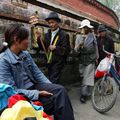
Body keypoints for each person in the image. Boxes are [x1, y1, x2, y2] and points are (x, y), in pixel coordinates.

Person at [0, 24, 75, 120]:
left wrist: (51, 87)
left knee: (60, 90)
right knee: (57, 103)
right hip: (21, 96)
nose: (29, 42)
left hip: (34, 85)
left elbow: (37, 73)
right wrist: (37, 93)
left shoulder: (25, 55)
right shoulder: (3, 60)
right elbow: (11, 92)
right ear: (16, 39)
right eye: (26, 39)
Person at [37, 12, 70, 84]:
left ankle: (54, 94)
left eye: (53, 22)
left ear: (58, 23)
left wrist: (56, 48)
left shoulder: (64, 35)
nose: (51, 25)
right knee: (50, 79)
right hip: (48, 61)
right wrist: (39, 39)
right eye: (49, 23)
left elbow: (67, 50)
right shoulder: (46, 35)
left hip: (58, 63)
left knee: (53, 80)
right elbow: (43, 48)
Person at [74, 19, 99, 103]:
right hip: (82, 59)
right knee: (84, 76)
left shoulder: (92, 36)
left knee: (86, 77)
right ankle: (87, 92)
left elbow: (96, 47)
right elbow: (75, 50)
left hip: (90, 59)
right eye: (84, 27)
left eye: (87, 27)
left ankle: (83, 95)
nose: (85, 29)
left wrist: (96, 57)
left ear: (89, 28)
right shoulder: (78, 36)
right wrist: (80, 44)